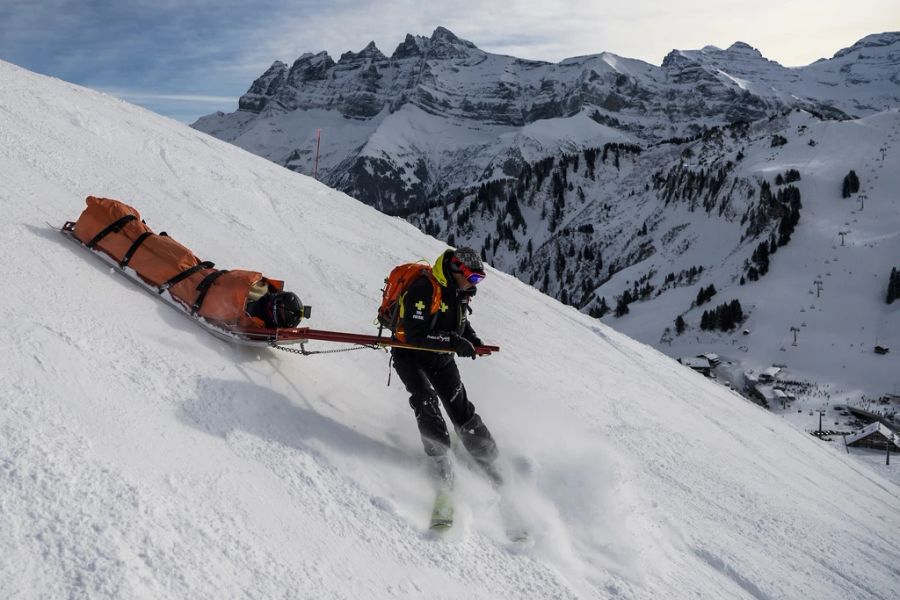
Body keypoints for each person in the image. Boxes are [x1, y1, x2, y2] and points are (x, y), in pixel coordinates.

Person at [391, 246, 500, 487]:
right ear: (456, 270)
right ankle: (440, 461)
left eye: (479, 279)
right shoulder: (423, 288)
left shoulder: (459, 290)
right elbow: (414, 335)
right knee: (425, 399)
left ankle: (492, 460)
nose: (475, 283)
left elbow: (459, 320)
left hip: (440, 357)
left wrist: (471, 338)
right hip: (410, 355)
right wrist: (453, 342)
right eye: (472, 277)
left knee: (460, 409)